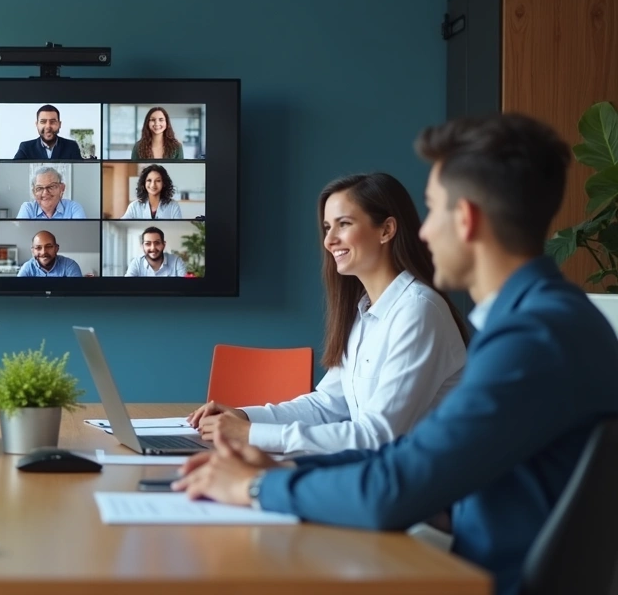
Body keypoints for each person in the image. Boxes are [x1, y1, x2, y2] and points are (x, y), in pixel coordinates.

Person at [172, 113, 618, 595]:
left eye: (433, 211)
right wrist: (285, 469)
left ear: (465, 219)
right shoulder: (544, 319)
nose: (423, 234)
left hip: (485, 579)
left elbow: (394, 486)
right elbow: (415, 456)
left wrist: (255, 487)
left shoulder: (530, 338)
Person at [187, 172, 469, 456]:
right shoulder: (364, 311)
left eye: (343, 224)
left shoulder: (418, 311)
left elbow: (378, 436)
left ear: (386, 230)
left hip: (415, 489)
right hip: (373, 476)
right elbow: (326, 405)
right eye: (326, 227)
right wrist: (244, 417)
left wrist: (252, 434)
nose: (329, 241)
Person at [12, 105, 83, 160]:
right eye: (43, 122)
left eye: (53, 122)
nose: (48, 126)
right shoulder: (26, 147)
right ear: (37, 125)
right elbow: (15, 171)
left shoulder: (72, 146)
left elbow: (79, 172)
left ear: (59, 124)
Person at [16, 165, 87, 219]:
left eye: (51, 186)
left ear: (62, 188)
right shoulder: (28, 208)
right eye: (39, 188)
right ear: (34, 192)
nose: (45, 193)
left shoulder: (73, 208)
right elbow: (20, 235)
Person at [18, 230, 83, 277]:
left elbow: (77, 293)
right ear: (33, 251)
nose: (43, 252)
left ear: (56, 248)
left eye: (49, 247)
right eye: (38, 248)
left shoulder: (70, 266)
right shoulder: (27, 267)